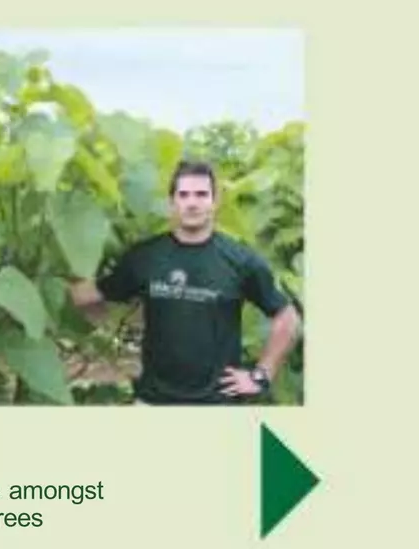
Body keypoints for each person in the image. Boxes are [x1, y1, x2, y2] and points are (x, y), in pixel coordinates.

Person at [69, 158, 299, 406]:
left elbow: (287, 317)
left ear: (215, 201)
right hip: (152, 402)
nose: (192, 203)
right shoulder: (145, 257)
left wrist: (262, 375)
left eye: (201, 194)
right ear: (172, 202)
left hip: (216, 404)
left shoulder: (241, 261)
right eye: (184, 194)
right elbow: (95, 293)